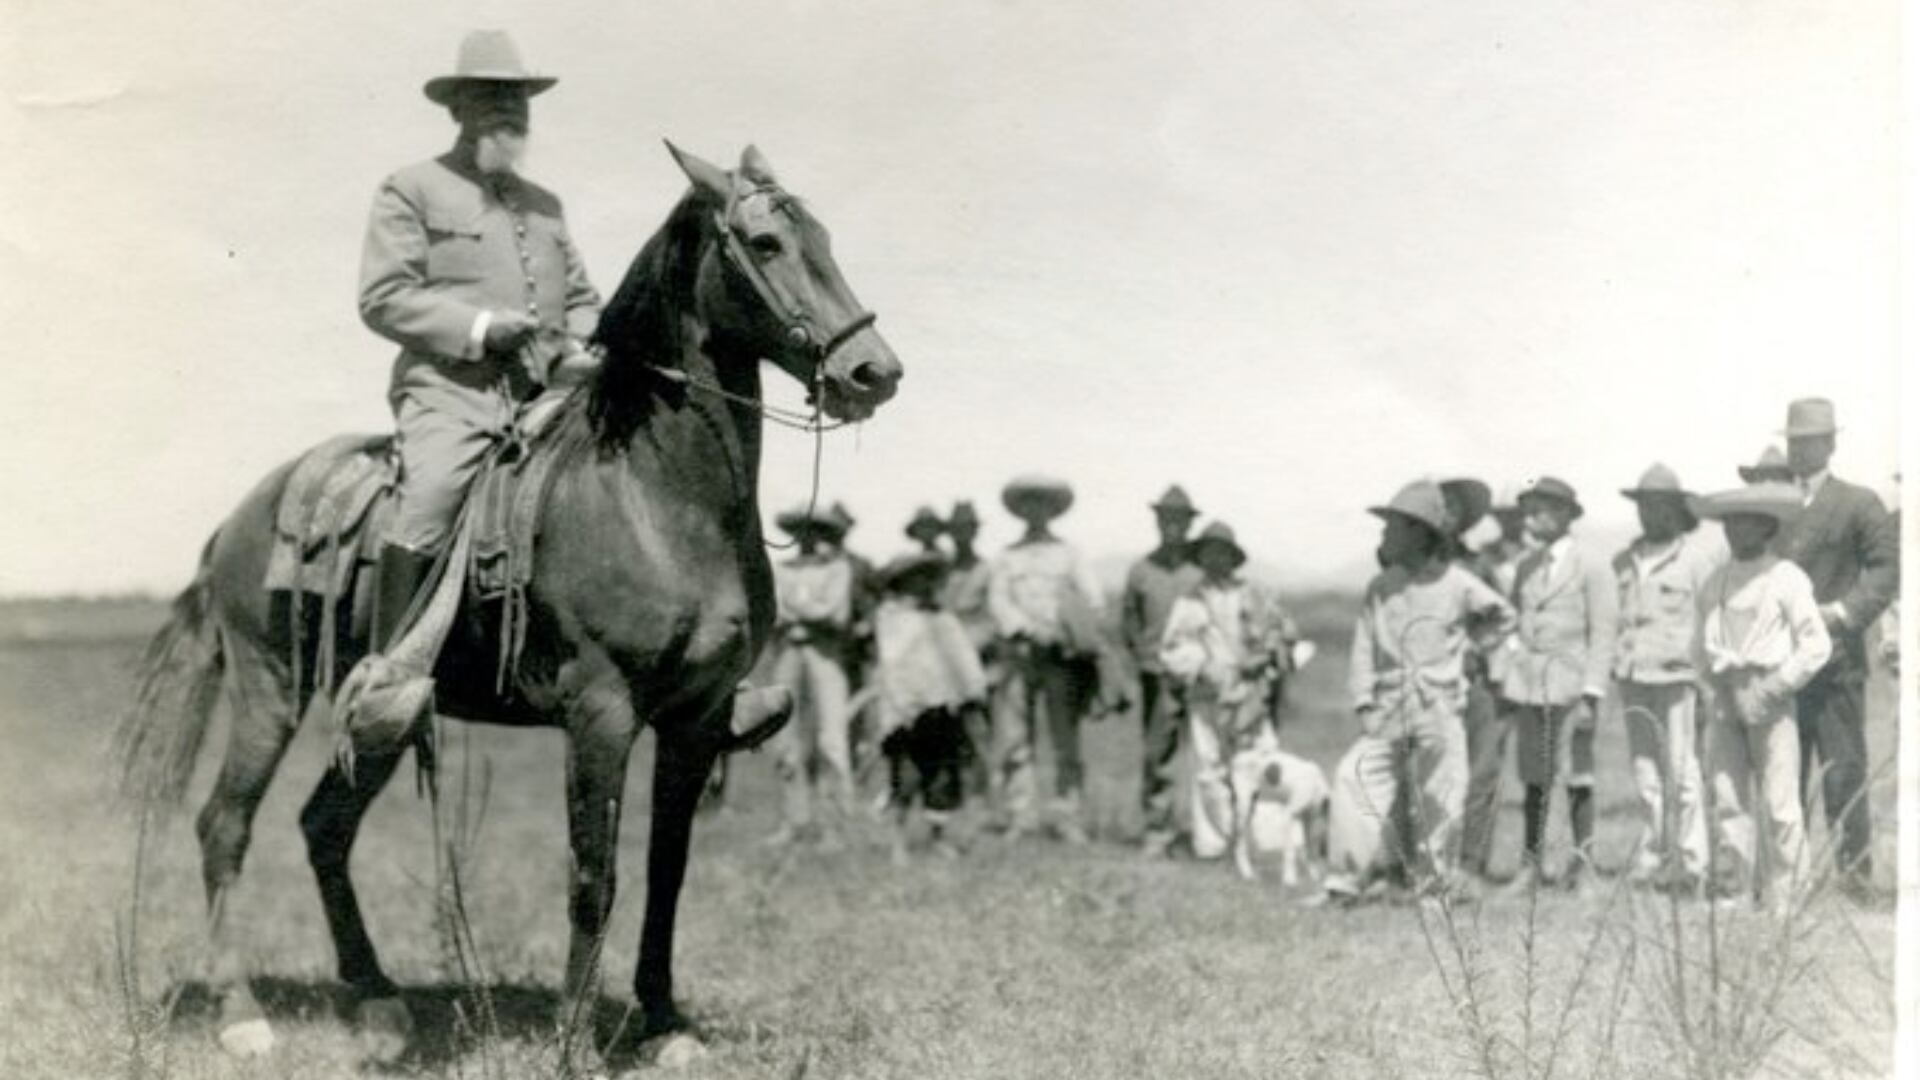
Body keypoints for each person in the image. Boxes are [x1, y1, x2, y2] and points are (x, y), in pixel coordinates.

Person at [358, 30, 602, 658]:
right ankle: (389, 679)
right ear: (456, 108)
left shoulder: (546, 205)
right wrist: (479, 329)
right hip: (452, 394)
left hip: (550, 397)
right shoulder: (411, 188)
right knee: (432, 494)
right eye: (488, 96)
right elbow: (383, 296)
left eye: (517, 97)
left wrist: (588, 341)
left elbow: (578, 295)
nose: (507, 109)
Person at [1320, 480, 1515, 904]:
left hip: (1439, 705)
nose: (1384, 537)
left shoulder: (1459, 584)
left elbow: (1503, 616)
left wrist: (1468, 646)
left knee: (1441, 792)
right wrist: (1364, 701)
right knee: (1354, 776)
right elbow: (1363, 646)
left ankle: (1434, 885)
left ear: (1419, 533)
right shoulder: (1382, 585)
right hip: (1389, 705)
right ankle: (1347, 880)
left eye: (1392, 529)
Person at [1772, 398, 1900, 902]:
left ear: (1832, 443)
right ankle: (1790, 882)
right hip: (1781, 666)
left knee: (1843, 771)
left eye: (1811, 440)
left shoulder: (1858, 503)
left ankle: (1855, 878)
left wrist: (1844, 613)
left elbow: (1887, 568)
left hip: (1837, 664)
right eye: (1794, 440)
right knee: (1785, 776)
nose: (1801, 449)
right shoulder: (1773, 506)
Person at [1694, 483, 1832, 914]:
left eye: (1747, 522)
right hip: (1726, 696)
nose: (1736, 531)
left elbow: (1816, 645)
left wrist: (1773, 686)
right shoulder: (1715, 582)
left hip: (1771, 697)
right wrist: (1719, 687)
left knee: (1779, 801)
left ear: (1767, 526)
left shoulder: (1786, 578)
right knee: (1729, 798)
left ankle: (1788, 896)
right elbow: (1699, 648)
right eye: (1730, 522)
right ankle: (1736, 890)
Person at [1498, 476, 1618, 894]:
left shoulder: (1593, 564)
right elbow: (1514, 620)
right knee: (1534, 776)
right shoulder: (1526, 566)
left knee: (1578, 776)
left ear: (1568, 514)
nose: (1533, 516)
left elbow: (1603, 632)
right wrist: (1513, 659)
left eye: (1544, 507)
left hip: (1573, 690)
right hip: (1530, 687)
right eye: (1529, 507)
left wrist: (1592, 693)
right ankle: (1531, 869)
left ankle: (1582, 869)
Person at [1156, 522, 1301, 864]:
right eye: (1207, 552)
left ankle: (1264, 842)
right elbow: (1172, 646)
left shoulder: (1257, 594)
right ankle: (1215, 845)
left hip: (1251, 694)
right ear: (1200, 557)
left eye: (1221, 552)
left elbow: (1285, 636)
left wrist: (1266, 656)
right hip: (1207, 694)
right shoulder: (1190, 601)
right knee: (1208, 769)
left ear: (1232, 557)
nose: (1214, 559)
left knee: (1259, 762)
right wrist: (1199, 664)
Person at [1612, 465, 1723, 892]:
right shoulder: (1624, 560)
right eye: (1643, 506)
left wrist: (1705, 677)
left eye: (1659, 506)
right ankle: (1652, 859)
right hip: (1633, 676)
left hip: (1677, 679)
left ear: (1676, 511)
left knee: (1683, 773)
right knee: (1644, 774)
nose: (1649, 515)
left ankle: (1695, 867)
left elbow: (1711, 618)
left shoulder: (1696, 561)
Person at [987, 475, 1107, 843]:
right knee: (1015, 737)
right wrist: (1023, 628)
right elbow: (998, 600)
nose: (1035, 512)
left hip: (1060, 658)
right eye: (1028, 505)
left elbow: (1094, 600)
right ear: (1019, 511)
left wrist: (1067, 630)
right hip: (1020, 655)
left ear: (1053, 511)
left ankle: (1066, 816)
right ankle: (1021, 815)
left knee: (1064, 737)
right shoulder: (1008, 556)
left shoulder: (1070, 554)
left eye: (1042, 505)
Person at [870, 553, 990, 864]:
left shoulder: (943, 619)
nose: (922, 585)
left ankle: (938, 838)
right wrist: (902, 704)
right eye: (915, 579)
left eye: (927, 579)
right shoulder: (891, 617)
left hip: (942, 708)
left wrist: (973, 690)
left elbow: (964, 658)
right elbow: (892, 663)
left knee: (941, 776)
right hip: (907, 712)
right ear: (901, 584)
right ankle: (898, 840)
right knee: (905, 777)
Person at [765, 505, 860, 848]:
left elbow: (834, 612)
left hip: (825, 654)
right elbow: (774, 611)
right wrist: (802, 611)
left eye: (815, 530)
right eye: (801, 531)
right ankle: (794, 821)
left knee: (831, 737)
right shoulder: (782, 569)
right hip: (789, 652)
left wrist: (797, 611)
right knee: (785, 736)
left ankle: (834, 824)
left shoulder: (836, 568)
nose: (807, 538)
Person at [1120, 485, 1205, 857]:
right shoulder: (1141, 570)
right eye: (1166, 519)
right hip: (1157, 674)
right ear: (1156, 521)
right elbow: (1129, 622)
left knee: (1207, 750)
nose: (1172, 526)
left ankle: (1206, 833)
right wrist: (1145, 658)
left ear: (1189, 524)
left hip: (1202, 674)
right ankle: (1158, 828)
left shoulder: (1201, 569)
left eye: (1179, 520)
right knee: (1159, 751)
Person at [1460, 484, 1533, 879]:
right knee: (1485, 769)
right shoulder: (1481, 561)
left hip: (1538, 672)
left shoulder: (1540, 558)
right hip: (1498, 674)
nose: (1512, 523)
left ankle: (1535, 863)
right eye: (1504, 516)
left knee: (1538, 772)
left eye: (1517, 515)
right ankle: (1474, 860)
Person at [940, 501, 998, 799]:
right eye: (956, 531)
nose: (961, 536)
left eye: (967, 530)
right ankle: (950, 792)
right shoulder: (941, 570)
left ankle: (983, 793)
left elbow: (992, 618)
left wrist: (970, 646)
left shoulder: (987, 571)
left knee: (976, 728)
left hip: (976, 659)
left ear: (975, 532)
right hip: (940, 661)